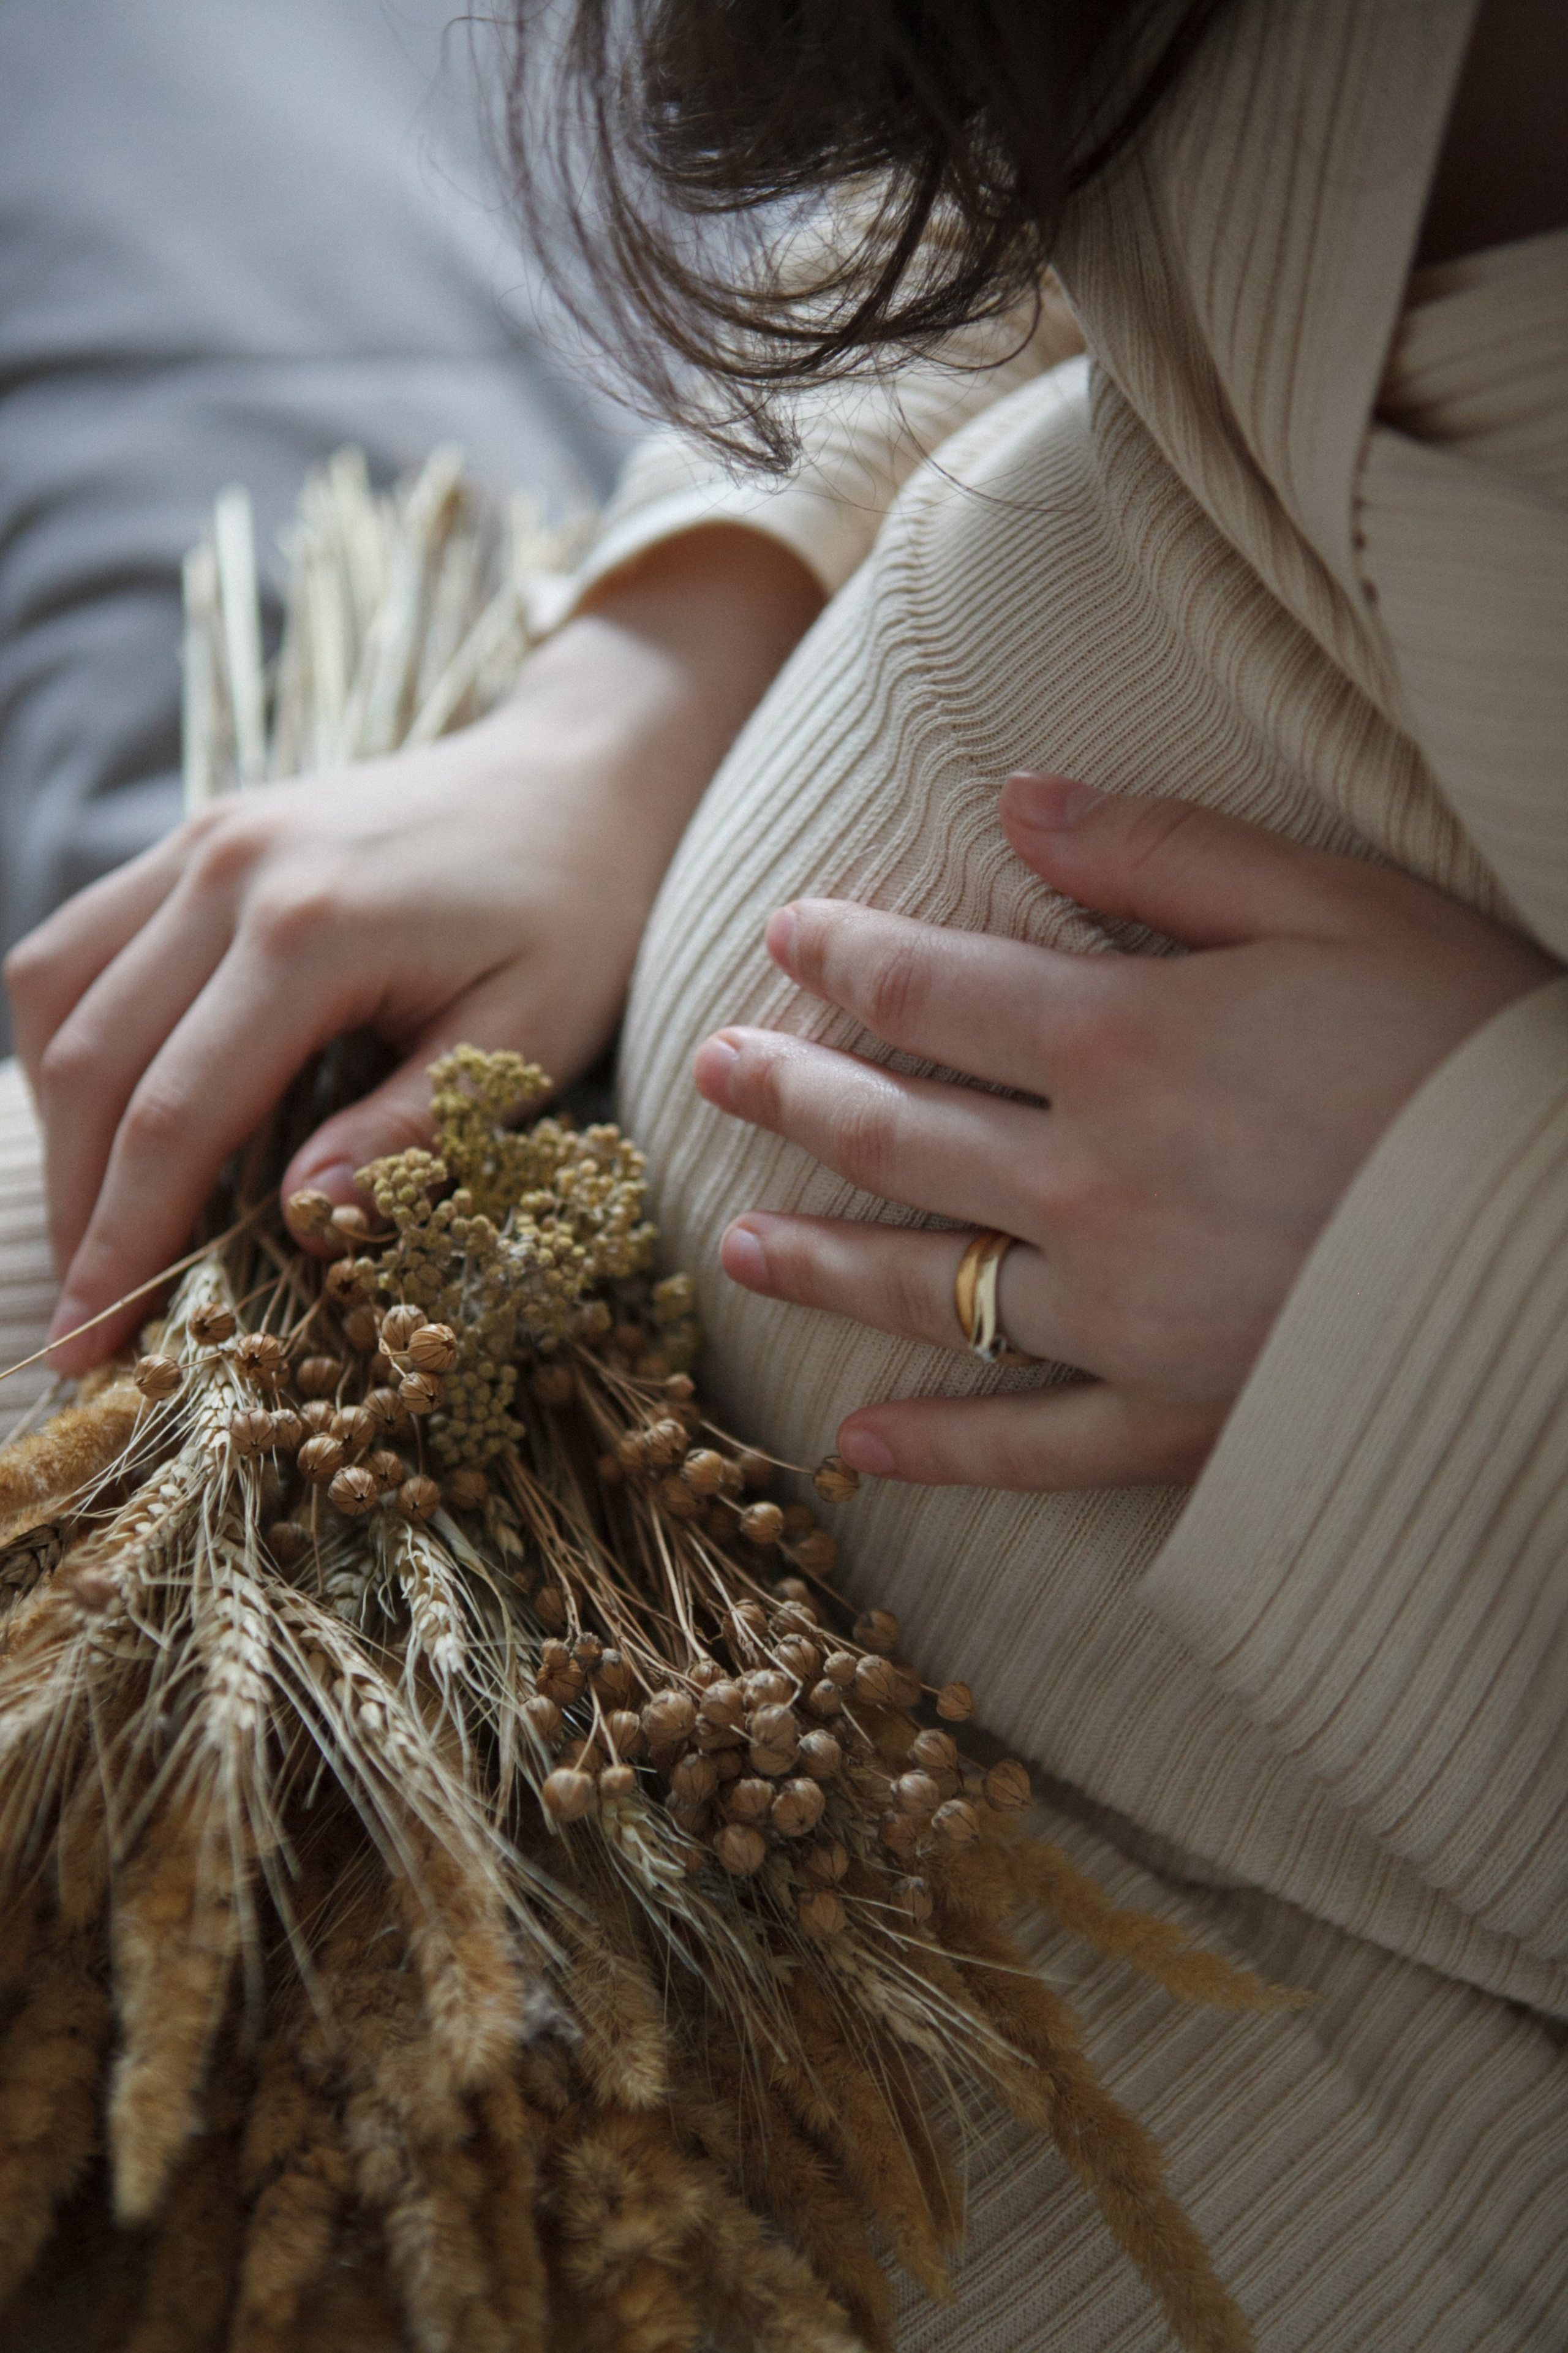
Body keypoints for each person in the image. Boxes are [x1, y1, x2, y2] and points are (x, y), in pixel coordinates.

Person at [3, 0, 1566, 2344]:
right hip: (514, 1199)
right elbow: (1027, 135)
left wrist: (1472, 1260)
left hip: (1069, 1985)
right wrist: (645, 680)